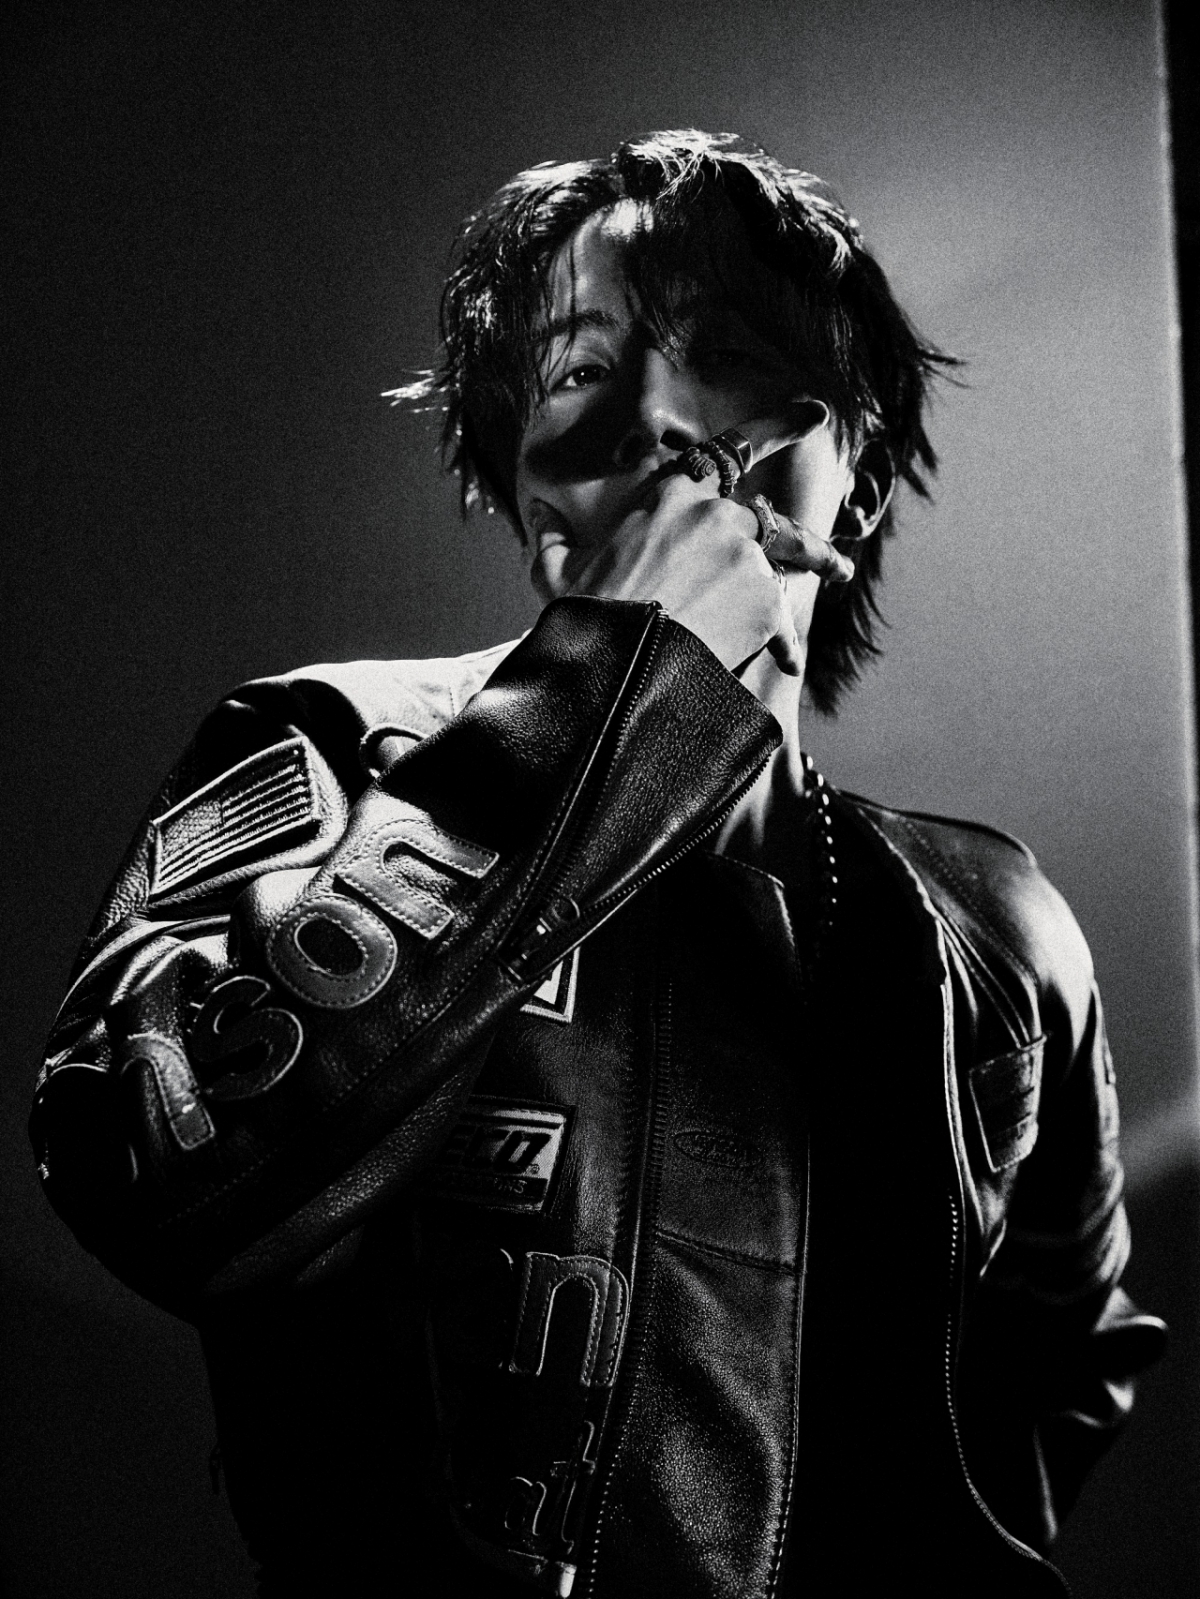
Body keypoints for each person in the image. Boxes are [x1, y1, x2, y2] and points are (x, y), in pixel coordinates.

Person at [31, 130, 1164, 1597]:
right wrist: (612, 696)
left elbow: (1068, 1357)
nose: (660, 423)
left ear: (860, 470)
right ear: (527, 487)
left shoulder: (993, 917)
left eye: (729, 355)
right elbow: (159, 1175)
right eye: (579, 372)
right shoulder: (332, 750)